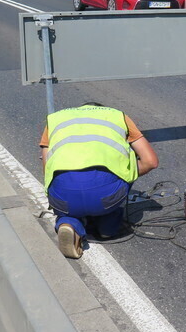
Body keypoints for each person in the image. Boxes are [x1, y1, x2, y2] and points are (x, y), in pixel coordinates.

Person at [39, 102, 158, 258]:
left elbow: (47, 170)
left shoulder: (54, 119)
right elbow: (150, 162)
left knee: (68, 201)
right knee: (126, 169)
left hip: (64, 198)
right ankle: (107, 227)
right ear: (102, 108)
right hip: (105, 198)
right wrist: (126, 173)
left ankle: (68, 223)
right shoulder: (118, 116)